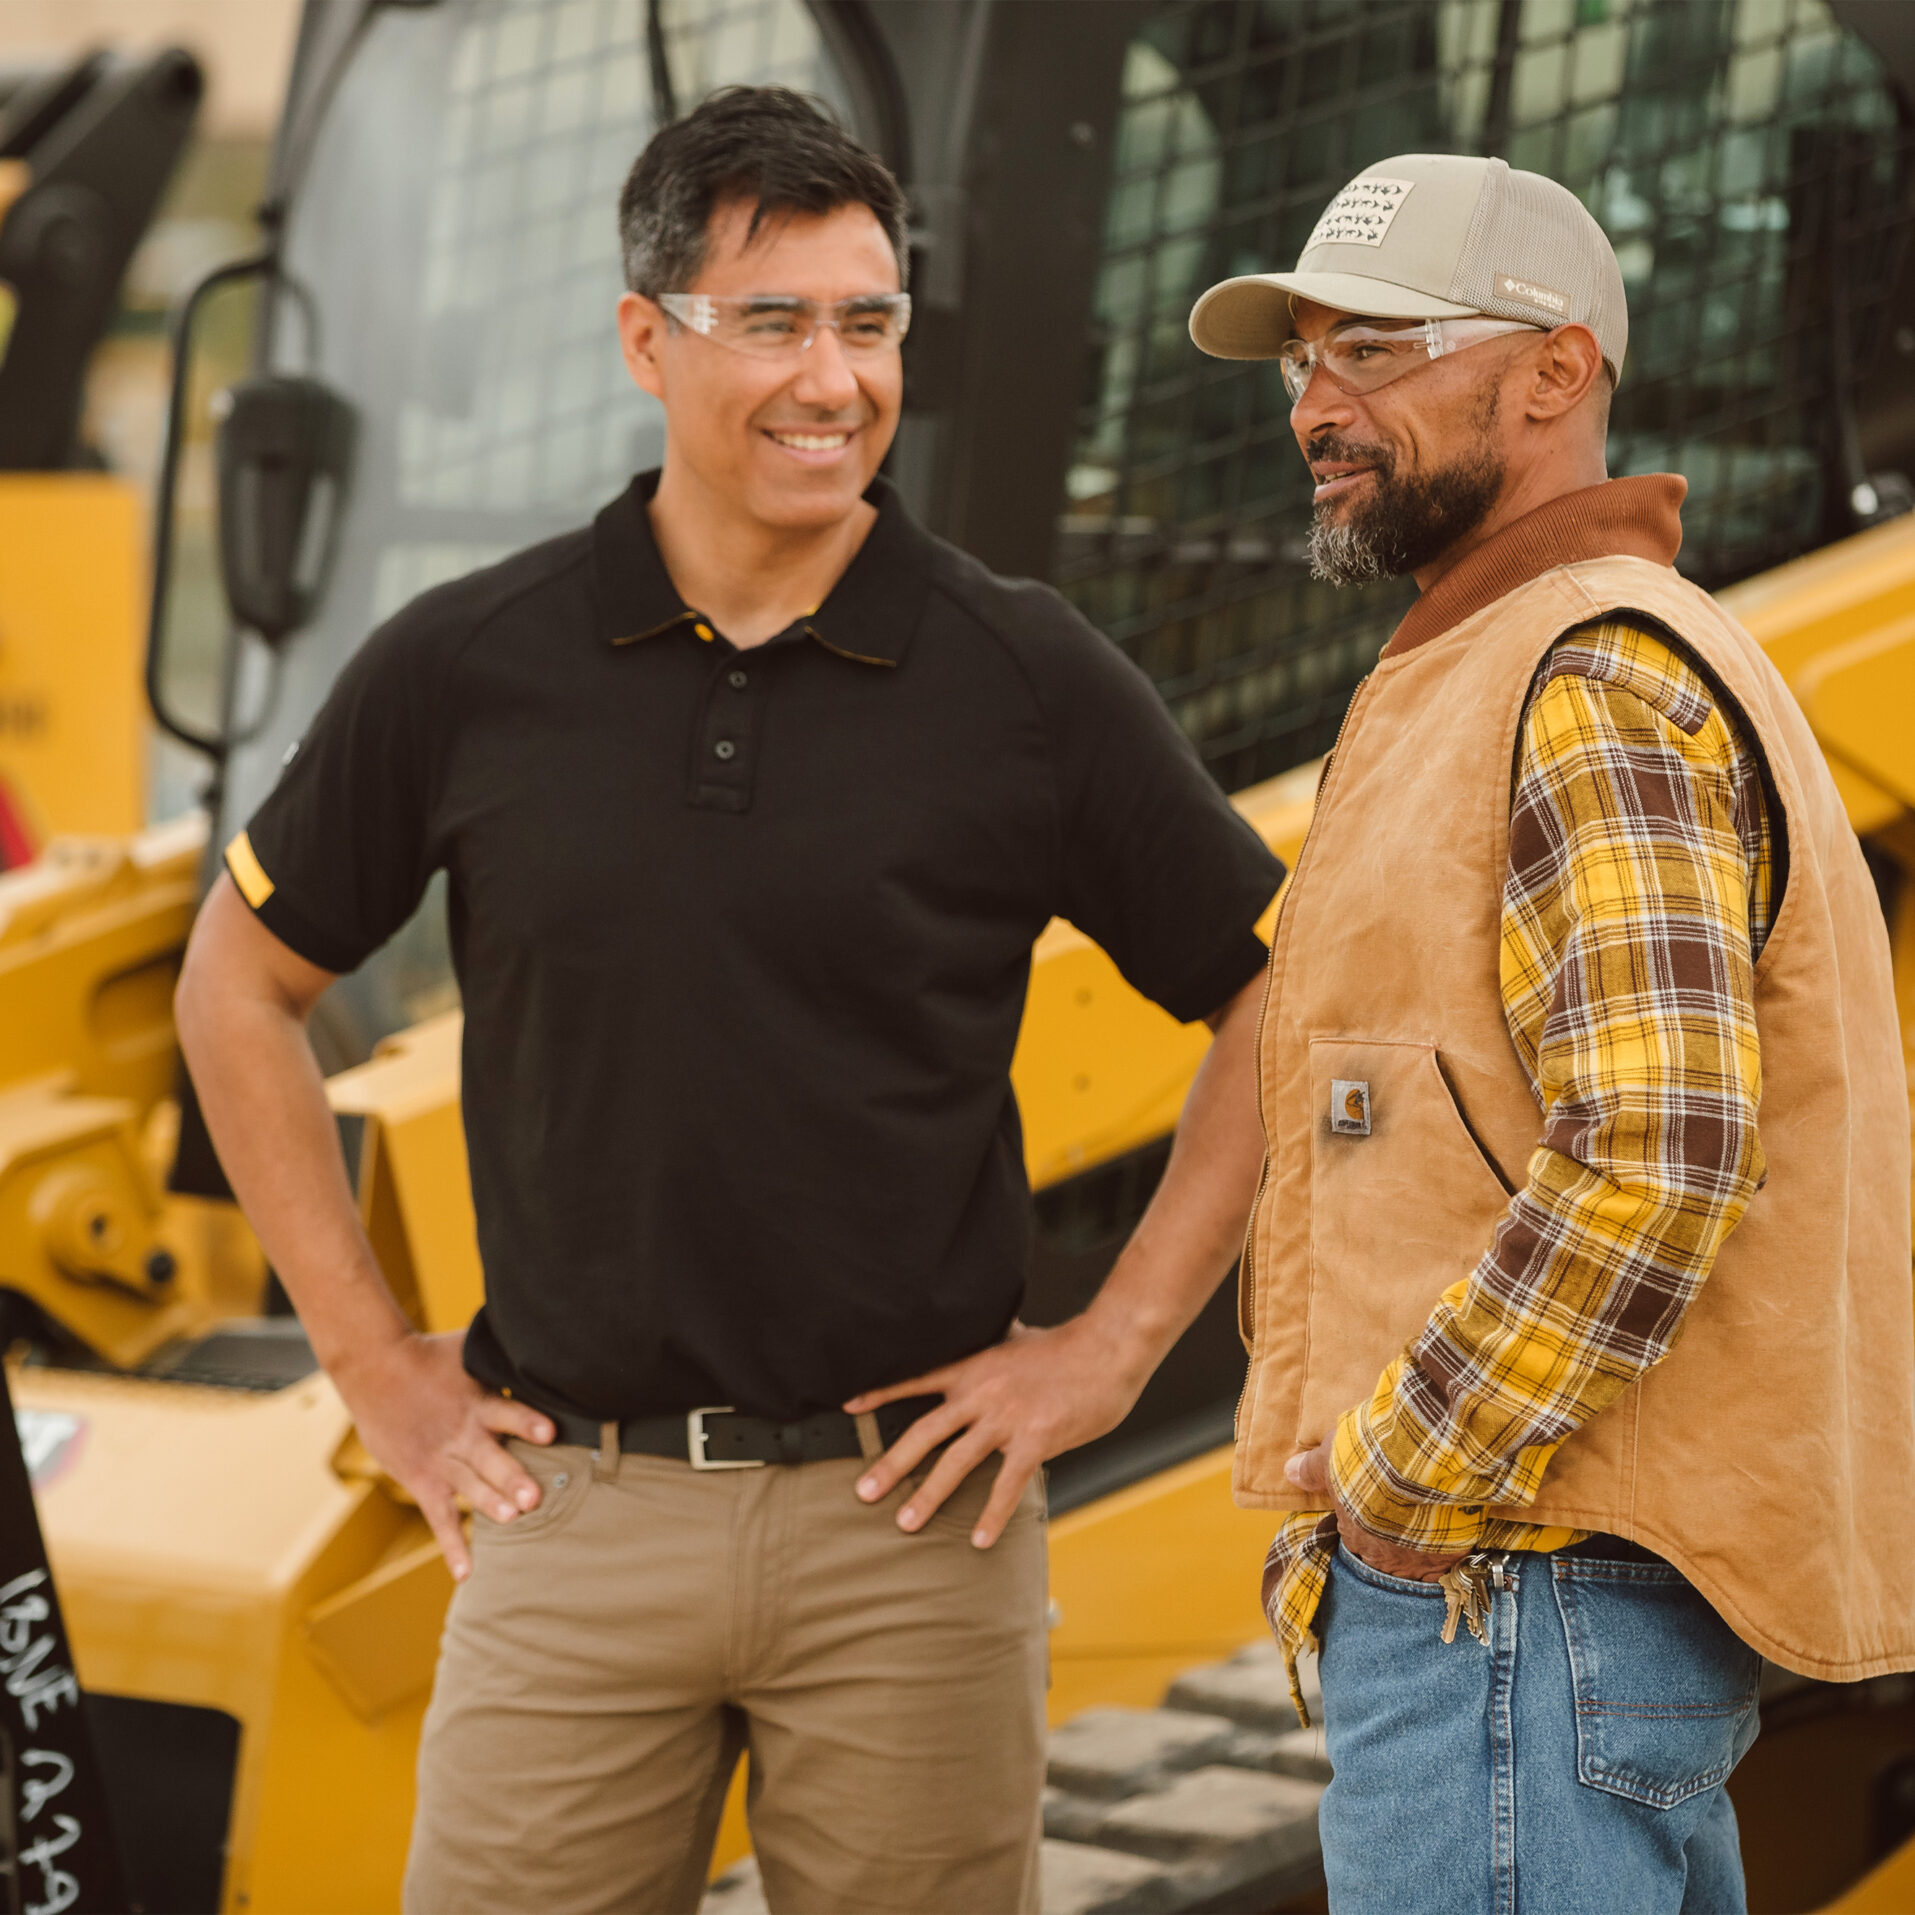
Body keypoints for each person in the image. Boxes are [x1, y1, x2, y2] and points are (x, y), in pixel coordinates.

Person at [176, 87, 1282, 1915]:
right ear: (647, 338)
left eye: (870, 324)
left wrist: (1114, 1348)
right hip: (570, 1519)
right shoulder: (464, 665)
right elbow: (242, 982)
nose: (832, 379)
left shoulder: (1022, 675)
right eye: (772, 322)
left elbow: (1275, 988)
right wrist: (375, 1365)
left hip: (909, 1533)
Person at [1188, 152, 1915, 1914]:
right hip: (1530, 1604)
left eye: (1373, 351)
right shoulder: (1506, 664)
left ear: (1552, 373)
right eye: (1303, 363)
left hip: (1509, 1596)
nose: (1318, 407)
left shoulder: (1583, 680)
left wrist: (1394, 1483)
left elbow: (1658, 1152)